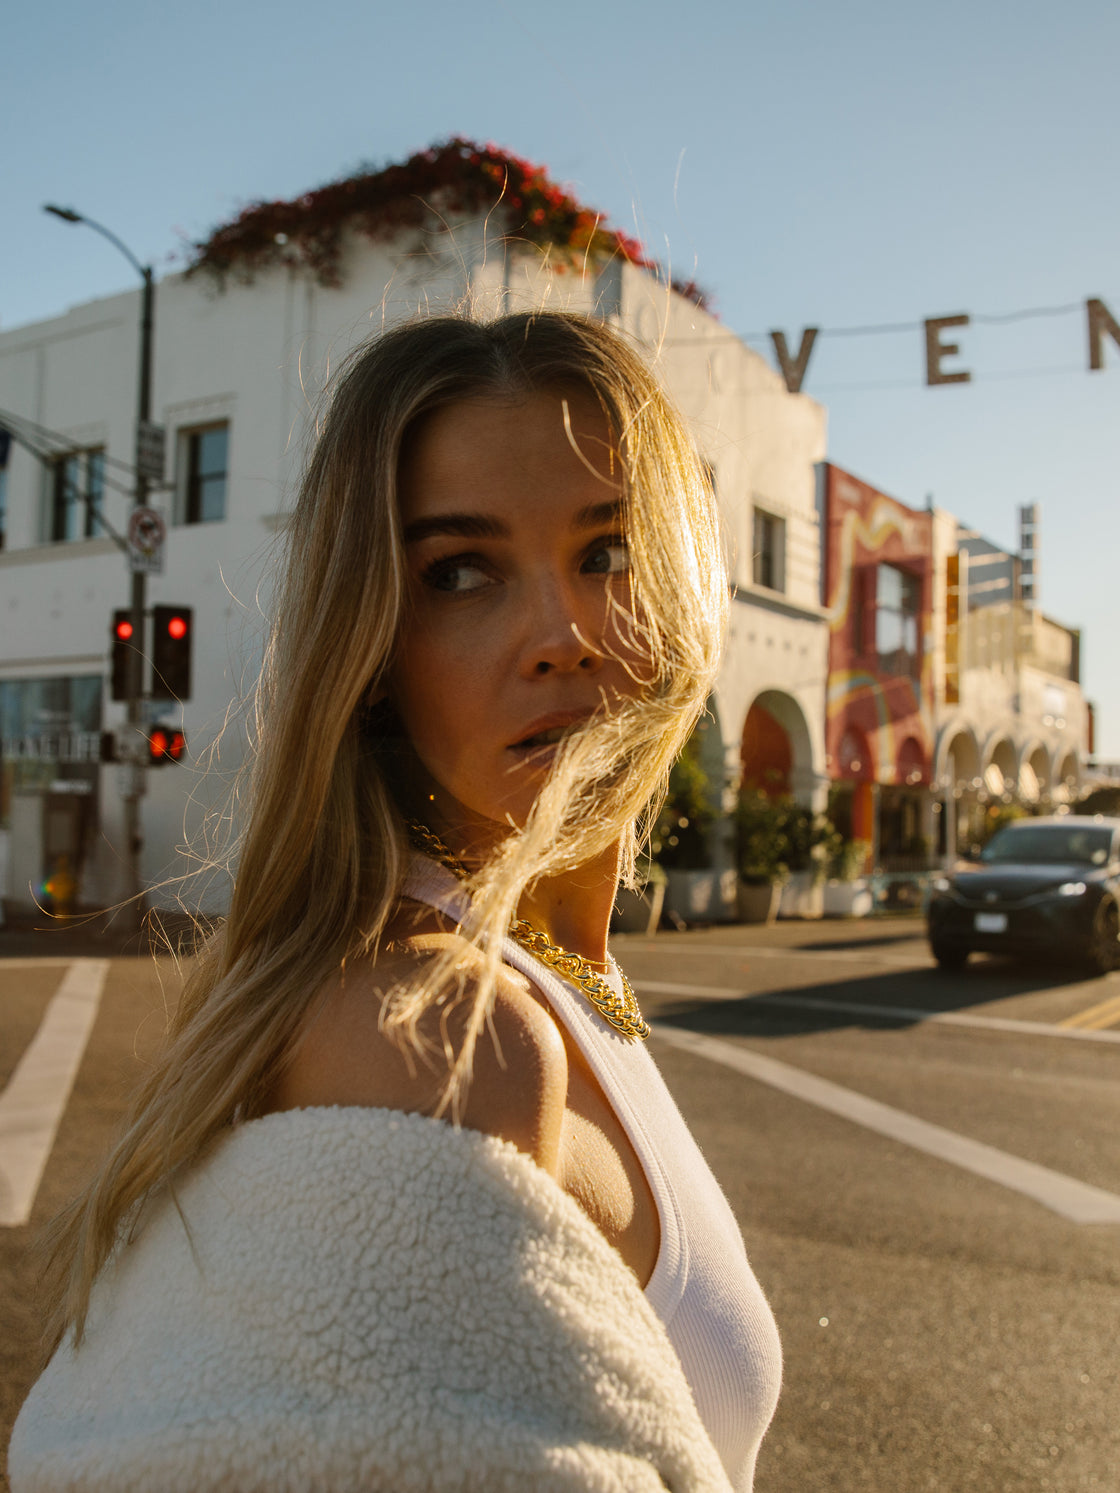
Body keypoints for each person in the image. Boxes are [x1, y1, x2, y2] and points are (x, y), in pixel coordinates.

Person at [10, 311, 782, 1492]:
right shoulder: (439, 1036)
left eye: (608, 550)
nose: (561, 636)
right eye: (459, 572)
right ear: (370, 652)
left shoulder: (552, 972)